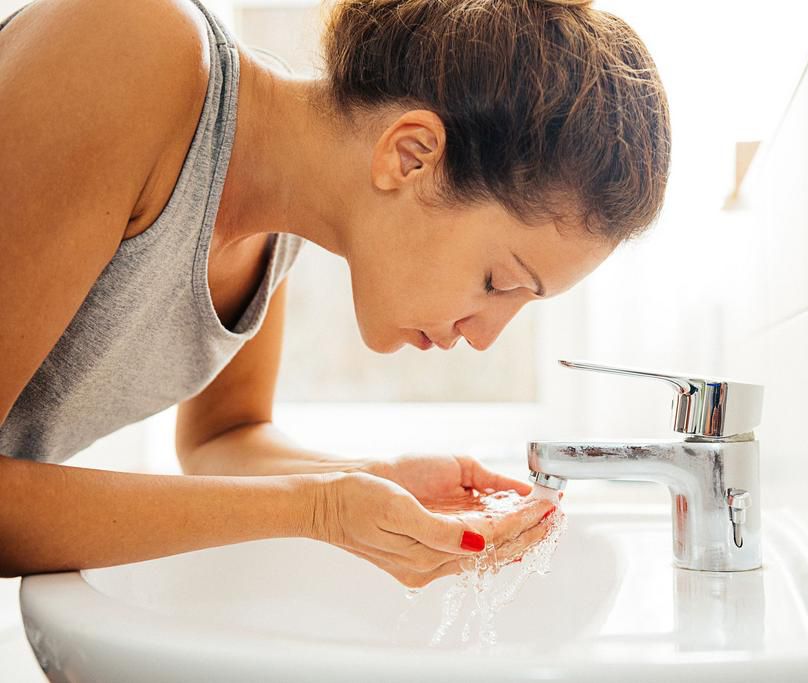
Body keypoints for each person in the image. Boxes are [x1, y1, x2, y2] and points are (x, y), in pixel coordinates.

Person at [0, 0, 670, 588]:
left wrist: (372, 479)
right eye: (500, 282)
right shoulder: (134, 47)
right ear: (409, 155)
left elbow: (222, 440)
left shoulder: (274, 226)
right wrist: (318, 511)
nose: (486, 335)